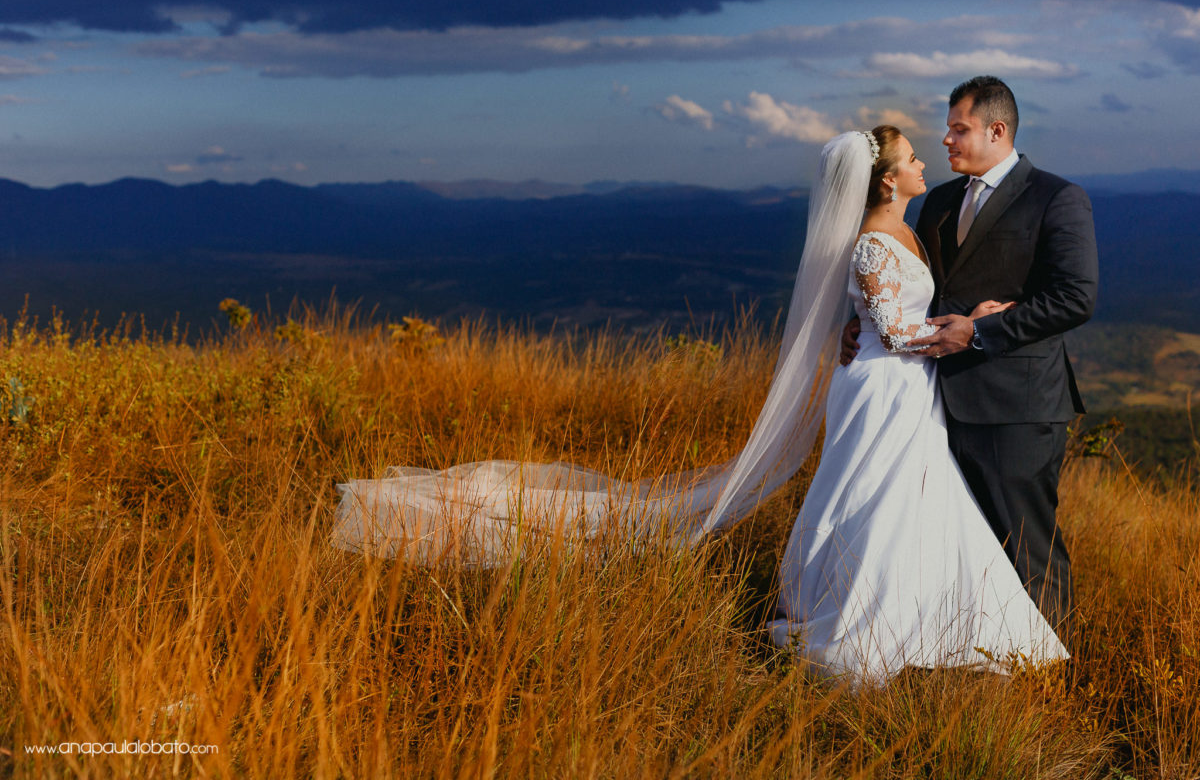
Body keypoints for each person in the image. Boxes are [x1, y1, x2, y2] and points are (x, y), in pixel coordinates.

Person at [333, 124, 1069, 682]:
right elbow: (892, 328)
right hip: (881, 388)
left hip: (908, 390)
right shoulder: (875, 242)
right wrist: (969, 329)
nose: (922, 162)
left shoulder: (910, 223)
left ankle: (930, 614)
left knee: (910, 499)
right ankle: (865, 617)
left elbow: (893, 311)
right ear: (884, 182)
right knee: (872, 496)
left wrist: (980, 310)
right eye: (910, 157)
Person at [841, 77, 1099, 640]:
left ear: (996, 130)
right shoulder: (938, 201)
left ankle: (1050, 678)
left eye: (958, 129)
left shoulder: (1056, 197)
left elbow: (1076, 297)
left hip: (1017, 405)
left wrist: (981, 330)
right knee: (961, 550)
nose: (946, 140)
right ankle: (980, 664)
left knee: (1028, 547)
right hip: (934, 408)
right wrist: (860, 321)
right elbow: (913, 290)